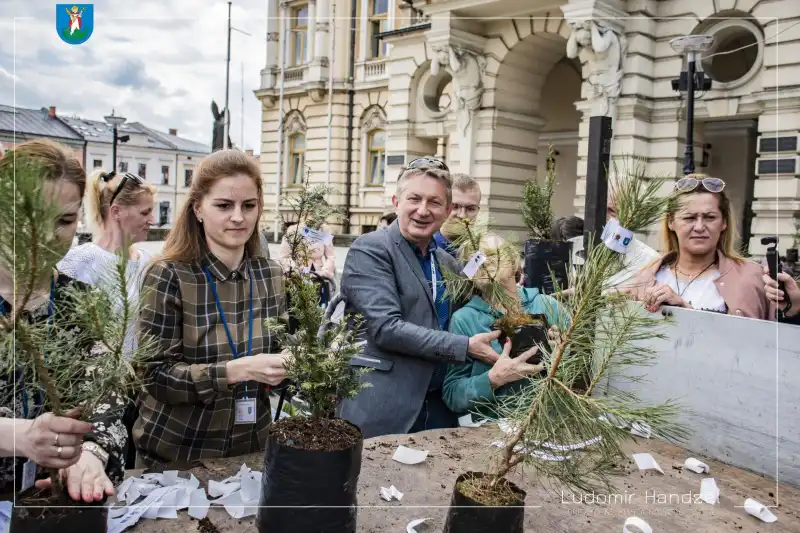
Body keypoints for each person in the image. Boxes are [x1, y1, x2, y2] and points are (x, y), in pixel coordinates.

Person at [134, 149, 291, 468]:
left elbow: (283, 345)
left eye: (249, 205)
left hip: (250, 452)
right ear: (198, 208)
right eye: (224, 205)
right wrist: (237, 371)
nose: (239, 217)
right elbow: (154, 376)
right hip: (178, 457)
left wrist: (294, 362)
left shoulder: (270, 274)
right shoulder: (169, 274)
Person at [337, 158, 503, 438]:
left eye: (435, 202)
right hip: (383, 408)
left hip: (440, 409)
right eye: (414, 198)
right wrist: (464, 346)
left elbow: (473, 316)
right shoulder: (370, 250)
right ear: (396, 202)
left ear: (447, 210)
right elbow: (386, 329)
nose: (423, 210)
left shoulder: (447, 263)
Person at [0, 140, 127, 503]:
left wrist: (89, 455)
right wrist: (19, 436)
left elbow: (109, 399)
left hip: (54, 504)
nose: (45, 236)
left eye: (65, 220)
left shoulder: (86, 302)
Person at [443, 235, 567, 418]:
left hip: (550, 422)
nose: (486, 261)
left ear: (516, 262)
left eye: (495, 254)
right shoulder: (464, 320)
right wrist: (492, 379)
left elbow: (584, 368)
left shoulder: (548, 306)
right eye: (477, 259)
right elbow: (452, 395)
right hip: (492, 430)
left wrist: (562, 355)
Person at [625, 174, 771, 318]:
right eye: (689, 218)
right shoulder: (644, 279)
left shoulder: (753, 278)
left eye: (710, 217)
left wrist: (793, 306)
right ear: (671, 222)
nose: (700, 227)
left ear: (724, 222)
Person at [434, 172, 482, 257]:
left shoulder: (483, 252)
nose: (462, 215)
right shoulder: (424, 249)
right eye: (455, 207)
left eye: (470, 208)